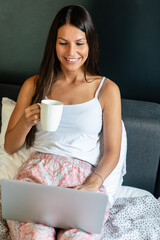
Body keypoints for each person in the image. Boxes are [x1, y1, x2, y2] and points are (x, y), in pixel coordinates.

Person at [4, 5, 127, 240]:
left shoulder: (107, 90)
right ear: (54, 44)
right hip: (38, 177)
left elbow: (113, 151)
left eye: (79, 43)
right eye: (63, 43)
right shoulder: (33, 85)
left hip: (82, 181)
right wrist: (26, 122)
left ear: (90, 44)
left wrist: (94, 182)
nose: (71, 51)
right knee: (36, 236)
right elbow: (9, 146)